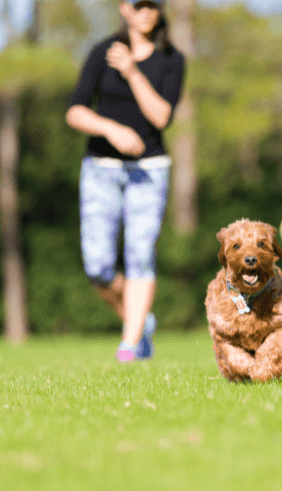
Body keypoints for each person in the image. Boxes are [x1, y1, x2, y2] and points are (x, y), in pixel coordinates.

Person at [66, 0, 185, 362]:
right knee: (98, 267)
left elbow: (162, 116)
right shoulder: (102, 52)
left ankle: (129, 345)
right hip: (101, 168)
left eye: (154, 5)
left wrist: (133, 72)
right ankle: (138, 321)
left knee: (140, 257)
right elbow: (75, 111)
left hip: (149, 170)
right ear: (124, 9)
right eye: (139, 4)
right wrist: (111, 128)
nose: (147, 11)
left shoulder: (171, 58)